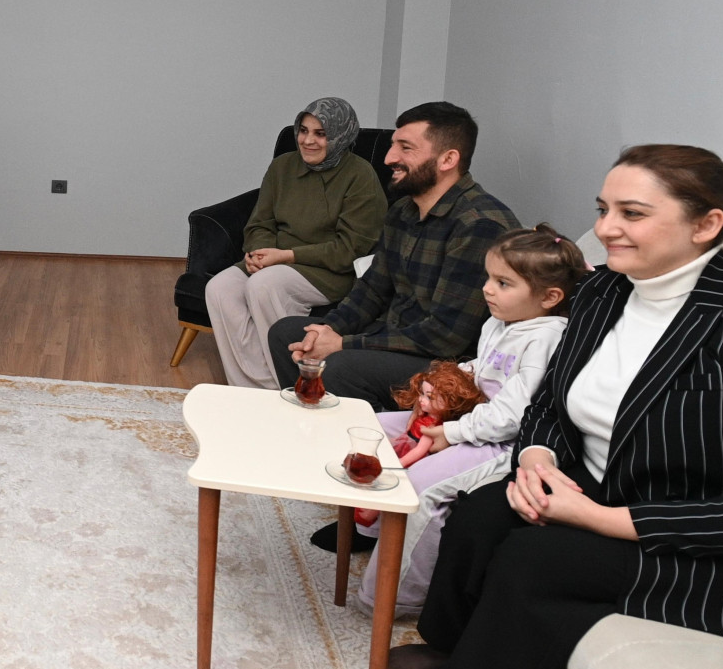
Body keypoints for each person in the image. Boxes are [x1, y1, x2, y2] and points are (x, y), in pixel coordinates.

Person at [385, 145, 723, 669]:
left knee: (536, 558)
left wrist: (594, 517)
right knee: (480, 515)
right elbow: (549, 402)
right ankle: (449, 647)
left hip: (710, 543)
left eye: (632, 213)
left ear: (706, 225)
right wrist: (536, 458)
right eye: (603, 209)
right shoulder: (604, 293)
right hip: (597, 482)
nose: (605, 228)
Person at [269, 101, 519, 553]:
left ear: (448, 159)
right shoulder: (404, 210)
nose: (388, 157)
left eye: (405, 147)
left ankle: (369, 507)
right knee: (290, 333)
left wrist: (343, 344)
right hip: (400, 340)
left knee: (341, 368)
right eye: (392, 146)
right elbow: (372, 289)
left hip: (450, 366)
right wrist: (326, 331)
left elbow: (446, 336)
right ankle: (328, 460)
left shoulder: (479, 225)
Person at [353, 225, 585, 617]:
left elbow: (514, 413)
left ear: (549, 297)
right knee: (372, 428)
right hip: (469, 418)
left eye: (503, 283)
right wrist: (441, 387)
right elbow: (482, 368)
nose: (488, 290)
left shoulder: (545, 338)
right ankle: (375, 531)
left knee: (422, 487)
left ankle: (397, 595)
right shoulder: (500, 321)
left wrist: (452, 432)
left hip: (501, 442)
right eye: (489, 278)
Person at [203, 97, 385, 389]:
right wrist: (258, 252)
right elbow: (260, 222)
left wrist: (285, 256)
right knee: (219, 288)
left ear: (341, 136)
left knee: (264, 285)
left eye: (320, 134)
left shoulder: (360, 176)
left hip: (328, 270)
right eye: (303, 130)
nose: (308, 141)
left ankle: (290, 383)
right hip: (275, 259)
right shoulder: (282, 166)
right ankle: (251, 389)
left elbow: (349, 249)